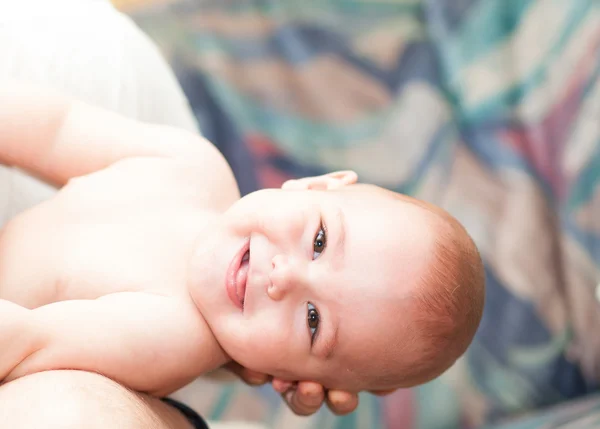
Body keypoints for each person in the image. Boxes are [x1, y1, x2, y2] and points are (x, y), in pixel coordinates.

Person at [0, 80, 485, 427]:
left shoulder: (174, 336)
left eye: (314, 321)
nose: (284, 277)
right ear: (317, 184)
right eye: (318, 241)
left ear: (289, 376)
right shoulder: (192, 166)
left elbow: (29, 342)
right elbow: (56, 129)